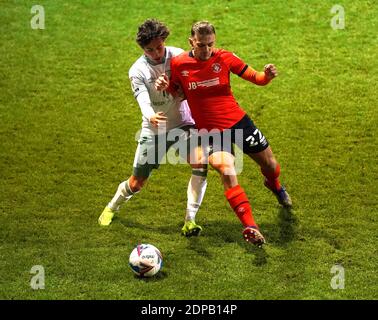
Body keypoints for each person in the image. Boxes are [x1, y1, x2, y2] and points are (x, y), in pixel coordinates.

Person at [155, 21, 292, 246]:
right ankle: (251, 226)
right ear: (191, 42)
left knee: (271, 166)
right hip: (210, 132)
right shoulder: (179, 64)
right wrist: (165, 85)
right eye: (201, 45)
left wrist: (267, 75)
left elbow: (256, 78)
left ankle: (275, 185)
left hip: (239, 123)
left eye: (210, 44)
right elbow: (175, 91)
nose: (206, 50)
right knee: (226, 169)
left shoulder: (225, 58)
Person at [98, 19, 208, 237]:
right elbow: (143, 100)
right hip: (154, 129)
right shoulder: (137, 70)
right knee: (137, 182)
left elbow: (191, 89)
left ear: (164, 41)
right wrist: (151, 116)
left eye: (159, 47)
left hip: (183, 123)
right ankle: (112, 206)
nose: (156, 53)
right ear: (142, 48)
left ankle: (190, 220)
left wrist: (175, 89)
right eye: (150, 49)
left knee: (200, 163)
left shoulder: (178, 56)